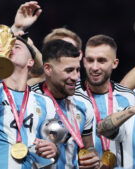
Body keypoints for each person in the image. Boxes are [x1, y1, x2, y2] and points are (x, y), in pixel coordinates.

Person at [0, 33, 58, 169]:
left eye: (17, 46)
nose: (10, 48)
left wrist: (54, 149)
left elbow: (52, 151)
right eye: (8, 46)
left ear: (30, 61)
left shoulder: (46, 103)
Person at [31, 39, 99, 169]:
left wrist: (91, 158)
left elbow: (88, 146)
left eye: (77, 70)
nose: (75, 77)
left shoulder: (83, 105)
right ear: (48, 69)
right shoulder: (29, 101)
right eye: (69, 70)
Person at [75, 34, 135, 167]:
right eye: (90, 60)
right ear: (84, 61)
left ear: (114, 63)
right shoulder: (71, 96)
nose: (95, 67)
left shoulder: (129, 98)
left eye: (102, 61)